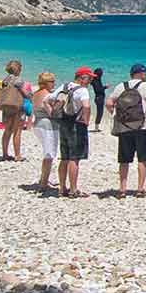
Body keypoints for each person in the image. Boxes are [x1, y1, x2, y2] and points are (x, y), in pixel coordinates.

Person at [106, 63, 146, 198]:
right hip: (143, 126)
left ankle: (122, 189)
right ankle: (140, 188)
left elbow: (109, 103)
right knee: (143, 158)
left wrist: (115, 115)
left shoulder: (121, 86)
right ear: (142, 73)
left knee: (124, 159)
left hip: (124, 126)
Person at [57, 67, 95, 198]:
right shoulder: (83, 90)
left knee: (64, 157)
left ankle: (62, 188)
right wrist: (86, 120)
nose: (90, 81)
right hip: (76, 125)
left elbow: (48, 99)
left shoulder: (65, 86)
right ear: (81, 77)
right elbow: (86, 106)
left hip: (63, 123)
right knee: (75, 158)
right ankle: (73, 190)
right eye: (88, 78)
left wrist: (52, 113)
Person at [0, 60, 32, 162]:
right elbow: (24, 93)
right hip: (17, 107)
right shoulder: (18, 80)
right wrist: (30, 96)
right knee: (17, 131)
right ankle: (17, 155)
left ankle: (5, 154)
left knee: (7, 130)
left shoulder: (5, 80)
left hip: (6, 107)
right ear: (18, 69)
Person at [31, 72, 60, 189]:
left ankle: (44, 179)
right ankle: (44, 182)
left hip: (37, 123)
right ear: (46, 83)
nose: (54, 84)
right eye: (52, 81)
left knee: (47, 153)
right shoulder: (48, 95)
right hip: (47, 124)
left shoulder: (36, 93)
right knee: (49, 154)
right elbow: (52, 113)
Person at [90, 67, 106, 132]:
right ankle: (96, 128)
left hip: (99, 98)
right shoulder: (95, 80)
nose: (102, 74)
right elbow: (98, 90)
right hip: (99, 98)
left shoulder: (97, 79)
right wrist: (105, 87)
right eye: (101, 73)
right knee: (100, 113)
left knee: (100, 113)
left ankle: (97, 127)